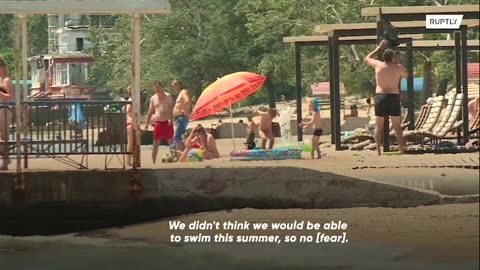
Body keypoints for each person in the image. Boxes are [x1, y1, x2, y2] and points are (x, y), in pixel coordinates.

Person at [365, 40, 408, 155]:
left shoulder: (378, 65)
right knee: (397, 126)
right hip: (393, 96)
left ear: (383, 57)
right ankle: (400, 148)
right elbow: (406, 75)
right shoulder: (397, 67)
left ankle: (378, 150)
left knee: (379, 125)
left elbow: (367, 58)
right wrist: (397, 62)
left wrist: (378, 48)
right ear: (392, 57)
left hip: (381, 96)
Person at [145, 81, 174, 164]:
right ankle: (153, 161)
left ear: (161, 87)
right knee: (155, 143)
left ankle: (174, 159)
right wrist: (147, 123)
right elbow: (150, 111)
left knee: (171, 142)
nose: (157, 89)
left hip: (167, 121)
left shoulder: (167, 96)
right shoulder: (153, 98)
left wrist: (171, 119)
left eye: (158, 87)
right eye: (155, 87)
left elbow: (172, 109)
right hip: (158, 122)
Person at [0, 59, 12, 170]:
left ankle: (5, 160)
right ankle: (5, 158)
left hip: (4, 109)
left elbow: (9, 96)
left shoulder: (6, 80)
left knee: (4, 136)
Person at [171, 80, 190, 152]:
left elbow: (187, 100)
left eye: (174, 85)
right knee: (181, 136)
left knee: (177, 137)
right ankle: (183, 153)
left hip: (181, 117)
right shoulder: (180, 93)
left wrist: (184, 110)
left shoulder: (183, 92)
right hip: (178, 118)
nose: (173, 88)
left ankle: (181, 154)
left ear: (178, 85)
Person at [123, 86, 137, 167]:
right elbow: (128, 110)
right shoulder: (131, 101)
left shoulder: (130, 100)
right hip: (130, 122)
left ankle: (132, 160)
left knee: (133, 143)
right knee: (130, 143)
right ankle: (128, 161)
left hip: (131, 122)